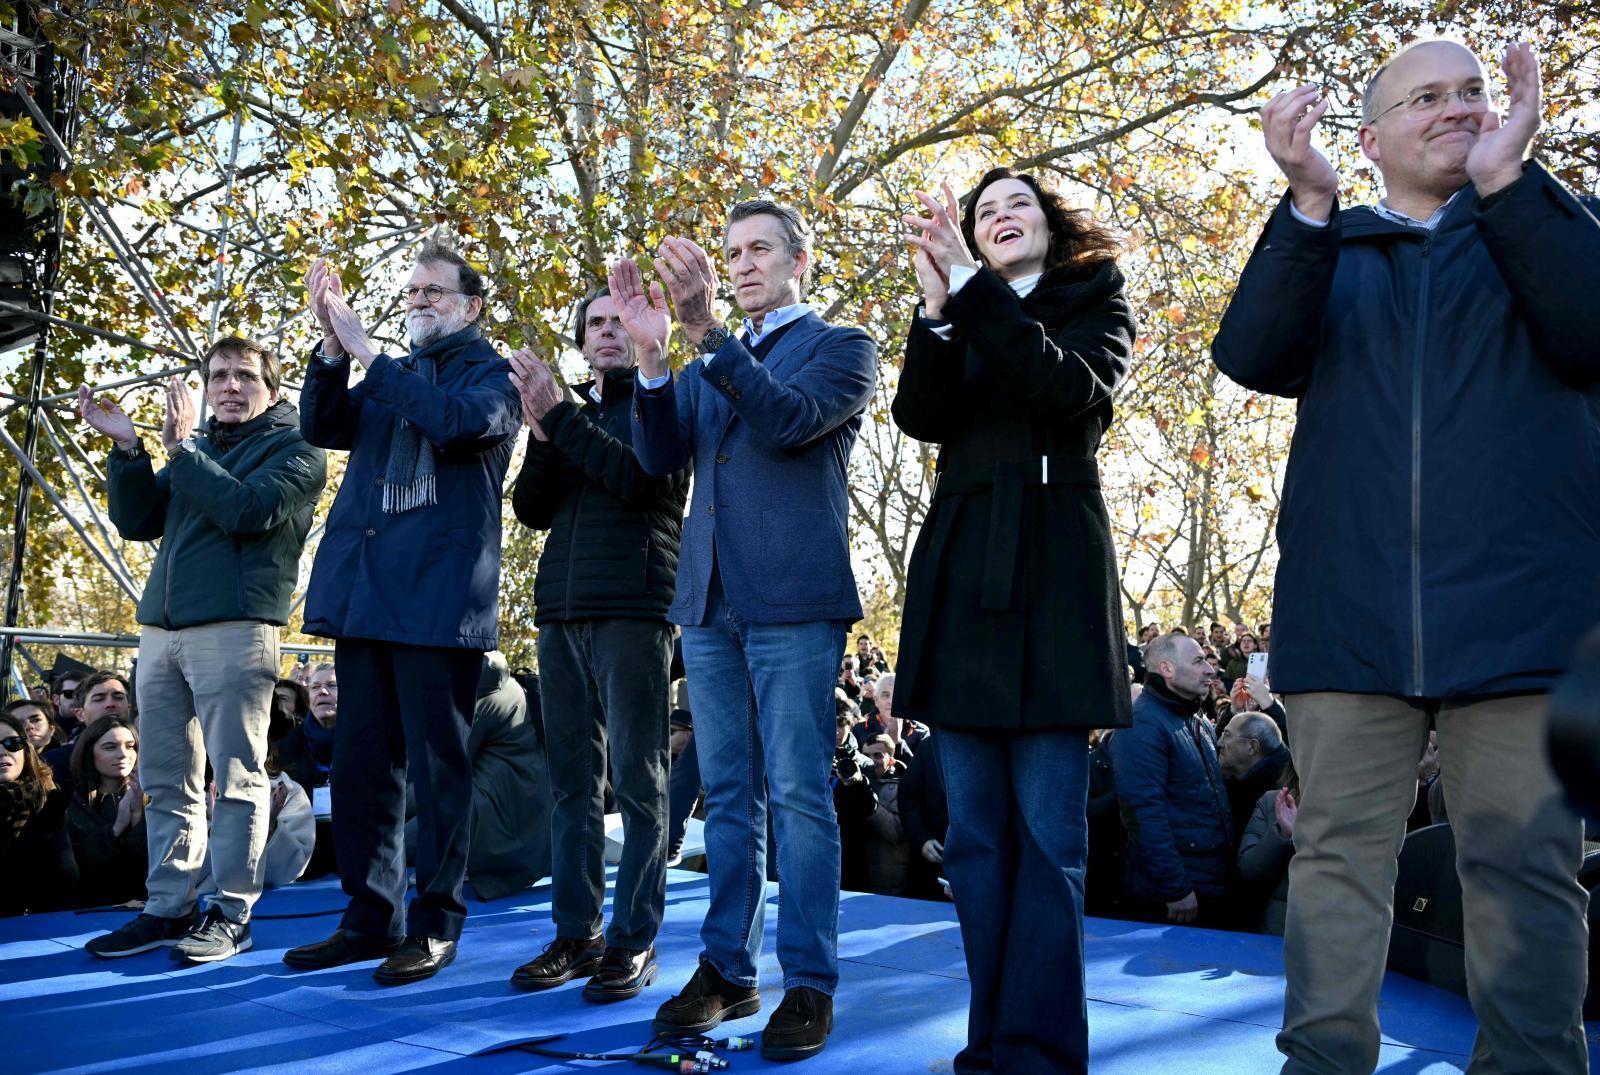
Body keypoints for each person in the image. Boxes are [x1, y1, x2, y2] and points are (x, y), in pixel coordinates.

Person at [1214, 38, 1595, 1073]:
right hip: (1348, 620)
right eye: (1425, 96)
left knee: (1524, 869)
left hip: (1524, 623)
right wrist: (1305, 203)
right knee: (1335, 862)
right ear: (1371, 137)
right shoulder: (1327, 247)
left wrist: (1510, 181)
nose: (1458, 107)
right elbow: (1250, 355)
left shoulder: (1539, 224)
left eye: (1471, 90)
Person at [618, 197, 877, 1061]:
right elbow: (658, 458)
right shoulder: (699, 361)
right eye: (731, 251)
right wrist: (654, 361)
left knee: (801, 795)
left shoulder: (842, 348)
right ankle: (729, 968)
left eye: (760, 248)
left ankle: (810, 981)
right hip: (708, 601)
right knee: (727, 795)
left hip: (795, 600)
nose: (742, 263)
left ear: (800, 261)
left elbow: (788, 421)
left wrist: (704, 334)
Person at [891, 167, 1135, 1074]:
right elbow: (920, 415)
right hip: (962, 576)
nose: (997, 218)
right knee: (979, 839)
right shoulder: (962, 310)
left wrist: (977, 291)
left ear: (1052, 226)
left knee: (1047, 840)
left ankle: (1039, 1051)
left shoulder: (1095, 299)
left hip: (1053, 582)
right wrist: (936, 313)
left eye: (1014, 205)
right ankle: (989, 1044)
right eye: (982, 211)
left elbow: (1061, 389)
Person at [284, 242, 520, 985]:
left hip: (438, 604)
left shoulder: (494, 375)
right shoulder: (395, 376)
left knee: (437, 770)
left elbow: (452, 424)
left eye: (433, 290)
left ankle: (436, 922)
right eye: (410, 289)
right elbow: (324, 424)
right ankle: (366, 915)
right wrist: (331, 352)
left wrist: (368, 353)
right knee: (360, 768)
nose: (417, 299)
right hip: (366, 597)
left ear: (471, 305)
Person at [77, 337, 326, 962]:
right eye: (218, 376)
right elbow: (137, 521)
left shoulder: (297, 450)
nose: (230, 387)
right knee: (164, 778)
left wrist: (182, 447)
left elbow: (246, 511)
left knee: (237, 778)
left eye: (245, 376)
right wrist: (129, 450)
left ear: (272, 388)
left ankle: (231, 911)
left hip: (237, 631)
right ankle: (168, 906)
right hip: (161, 633)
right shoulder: (199, 450)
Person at [506, 285, 689, 1001]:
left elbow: (643, 481)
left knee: (641, 783)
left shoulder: (659, 398)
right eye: (595, 324)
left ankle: (633, 939)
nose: (608, 331)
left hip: (636, 610)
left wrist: (562, 417)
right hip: (560, 612)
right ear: (581, 341)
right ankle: (575, 932)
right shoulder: (563, 411)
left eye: (618, 320)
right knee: (571, 785)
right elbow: (530, 509)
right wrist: (545, 435)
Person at [1110, 633, 1233, 927]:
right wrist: (1175, 887)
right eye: (1198, 661)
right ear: (1166, 669)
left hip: (1210, 881)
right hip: (1174, 896)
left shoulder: (1196, 718)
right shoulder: (1142, 725)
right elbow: (1143, 812)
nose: (1210, 670)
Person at [0, 711, 77, 916]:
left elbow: (65, 878)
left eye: (12, 743)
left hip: (40, 929)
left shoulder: (53, 802)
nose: (3, 752)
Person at [65, 716, 147, 908]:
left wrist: (137, 818)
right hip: (90, 914)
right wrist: (116, 828)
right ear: (89, 752)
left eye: (130, 746)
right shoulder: (71, 804)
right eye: (110, 747)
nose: (123, 754)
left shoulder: (154, 798)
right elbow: (81, 869)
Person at [1237, 763, 1299, 936]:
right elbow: (1249, 869)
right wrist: (1282, 833)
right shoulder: (1274, 802)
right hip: (1279, 930)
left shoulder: (1354, 808)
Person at [44, 670, 130, 791]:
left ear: (128, 707)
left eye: (118, 697)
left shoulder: (151, 756)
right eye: (99, 699)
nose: (110, 704)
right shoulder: (53, 764)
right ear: (80, 714)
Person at [1218, 707, 1292, 838]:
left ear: (1252, 747)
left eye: (1227, 735)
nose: (1219, 743)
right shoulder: (1235, 780)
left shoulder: (1278, 801)